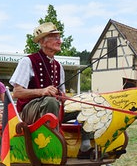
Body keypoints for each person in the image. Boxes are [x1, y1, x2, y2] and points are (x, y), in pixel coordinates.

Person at [10, 22, 94, 153]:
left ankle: (85, 146)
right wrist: (42, 91)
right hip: (28, 111)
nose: (59, 41)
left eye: (59, 37)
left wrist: (79, 102)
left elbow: (62, 96)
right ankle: (52, 146)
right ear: (43, 42)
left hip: (52, 107)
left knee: (85, 107)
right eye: (55, 37)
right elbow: (17, 92)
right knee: (51, 101)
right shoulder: (27, 61)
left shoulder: (58, 66)